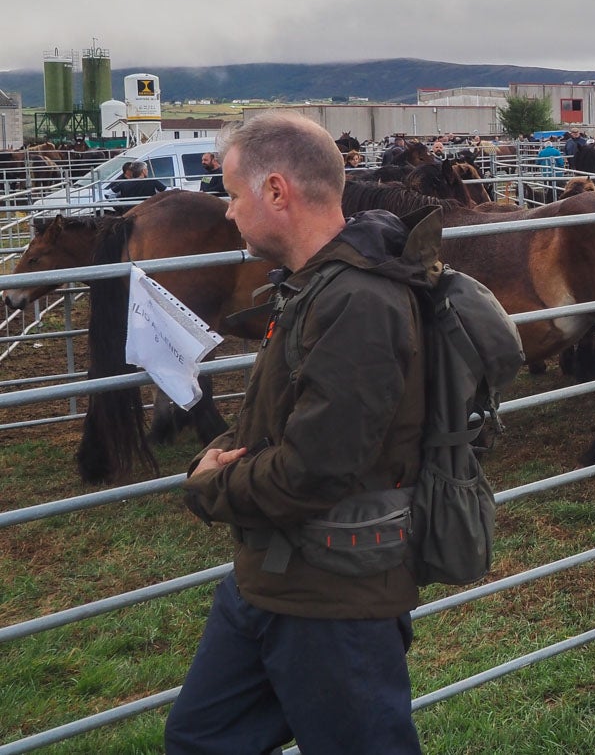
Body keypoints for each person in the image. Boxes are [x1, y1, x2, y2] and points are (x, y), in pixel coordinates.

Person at [164, 112, 430, 754]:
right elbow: (281, 419)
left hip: (332, 596)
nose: (228, 213)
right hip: (272, 576)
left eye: (232, 194)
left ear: (276, 191)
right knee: (202, 737)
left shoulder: (359, 302)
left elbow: (316, 466)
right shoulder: (313, 288)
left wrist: (211, 486)